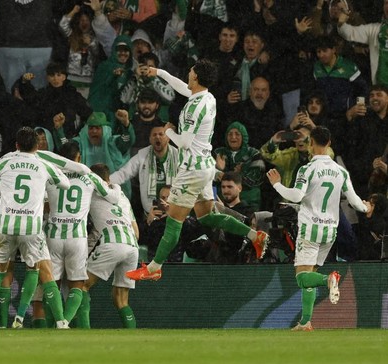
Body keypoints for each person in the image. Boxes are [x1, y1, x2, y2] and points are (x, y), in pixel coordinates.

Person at [126, 60, 270, 281]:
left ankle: (154, 267)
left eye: (190, 71)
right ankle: (254, 235)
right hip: (204, 166)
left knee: (173, 221)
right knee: (208, 217)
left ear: (196, 77)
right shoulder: (207, 96)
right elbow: (182, 88)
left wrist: (169, 131)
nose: (188, 73)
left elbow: (183, 143)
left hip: (191, 169)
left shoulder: (195, 106)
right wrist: (160, 72)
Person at [266, 126, 370, 331]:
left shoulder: (307, 169)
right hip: (331, 231)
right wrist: (366, 207)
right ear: (329, 143)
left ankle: (329, 279)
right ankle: (305, 322)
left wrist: (277, 184)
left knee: (301, 277)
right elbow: (355, 202)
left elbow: (295, 196)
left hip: (310, 228)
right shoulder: (341, 171)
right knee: (310, 274)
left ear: (311, 143)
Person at [0, 127, 71, 329]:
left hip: (6, 225)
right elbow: (65, 184)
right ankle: (40, 320)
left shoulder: (6, 161)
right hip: (31, 227)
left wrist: (0, 180)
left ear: (16, 145)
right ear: (37, 146)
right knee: (37, 268)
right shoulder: (42, 164)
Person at [43, 142, 120, 323]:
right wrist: (116, 187)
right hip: (77, 238)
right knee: (77, 283)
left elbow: (44, 206)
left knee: (50, 283)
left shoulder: (51, 176)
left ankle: (53, 323)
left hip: (53, 235)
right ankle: (65, 322)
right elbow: (113, 198)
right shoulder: (90, 176)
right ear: (79, 157)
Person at [77, 163, 139, 329]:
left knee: (81, 285)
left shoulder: (90, 190)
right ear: (108, 178)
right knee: (120, 298)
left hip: (112, 243)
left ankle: (83, 333)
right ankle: (132, 336)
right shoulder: (123, 197)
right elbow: (137, 232)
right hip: (133, 247)